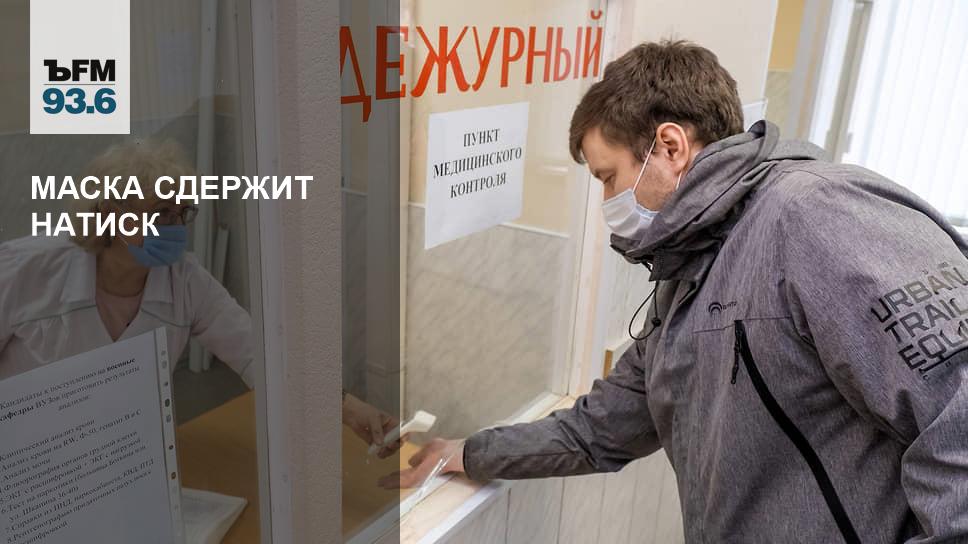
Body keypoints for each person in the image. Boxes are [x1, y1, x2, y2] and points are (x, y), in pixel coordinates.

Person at [384, 40, 968, 542]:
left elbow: (958, 424)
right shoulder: (694, 265)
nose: (608, 202)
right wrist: (467, 453)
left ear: (669, 146)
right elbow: (606, 425)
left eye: (608, 177)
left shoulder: (819, 216)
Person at [0, 139, 398, 455]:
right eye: (161, 213)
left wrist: (348, 407)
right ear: (110, 212)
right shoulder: (27, 270)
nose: (176, 227)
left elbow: (258, 354)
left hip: (123, 455)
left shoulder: (186, 281)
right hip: (26, 458)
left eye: (182, 213)